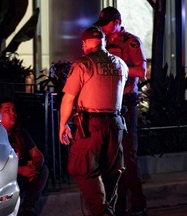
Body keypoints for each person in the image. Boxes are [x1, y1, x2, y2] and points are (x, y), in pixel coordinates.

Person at [59, 26, 128, 216]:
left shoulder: (83, 64)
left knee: (82, 169)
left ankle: (103, 212)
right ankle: (107, 209)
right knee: (111, 172)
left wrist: (62, 125)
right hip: (116, 124)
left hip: (91, 126)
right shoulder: (121, 64)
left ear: (84, 43)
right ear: (103, 42)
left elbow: (68, 98)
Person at [94, 6, 148, 216]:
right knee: (112, 158)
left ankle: (138, 204)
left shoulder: (130, 41)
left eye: (107, 25)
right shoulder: (102, 42)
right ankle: (119, 204)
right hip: (107, 106)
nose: (104, 30)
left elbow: (141, 70)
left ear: (117, 22)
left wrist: (118, 67)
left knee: (128, 155)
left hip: (125, 104)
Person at [0, 98, 49, 216]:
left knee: (43, 170)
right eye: (7, 110)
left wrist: (33, 168)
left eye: (14, 110)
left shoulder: (20, 132)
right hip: (5, 179)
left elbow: (37, 155)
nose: (12, 113)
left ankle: (28, 209)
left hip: (22, 178)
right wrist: (21, 170)